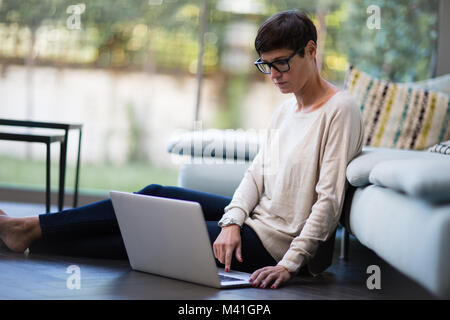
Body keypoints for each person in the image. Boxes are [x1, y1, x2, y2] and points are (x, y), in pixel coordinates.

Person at [0, 10, 364, 289]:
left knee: (154, 236)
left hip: (277, 243)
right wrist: (233, 220)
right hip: (254, 220)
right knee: (155, 195)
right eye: (266, 66)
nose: (274, 75)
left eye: (281, 63)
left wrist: (289, 263)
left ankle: (27, 233)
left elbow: (328, 201)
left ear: (311, 50)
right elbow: (256, 173)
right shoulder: (286, 108)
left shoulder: (340, 110)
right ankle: (30, 227)